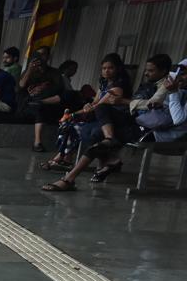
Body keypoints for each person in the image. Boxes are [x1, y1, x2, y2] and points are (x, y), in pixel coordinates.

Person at [42, 53, 133, 191]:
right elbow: (95, 102)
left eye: (110, 68)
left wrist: (76, 113)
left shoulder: (119, 86)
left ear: (118, 69)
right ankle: (66, 159)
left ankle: (70, 175)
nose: (106, 71)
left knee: (89, 131)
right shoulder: (104, 83)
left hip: (112, 121)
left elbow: (100, 105)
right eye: (104, 68)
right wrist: (86, 106)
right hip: (100, 118)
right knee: (74, 126)